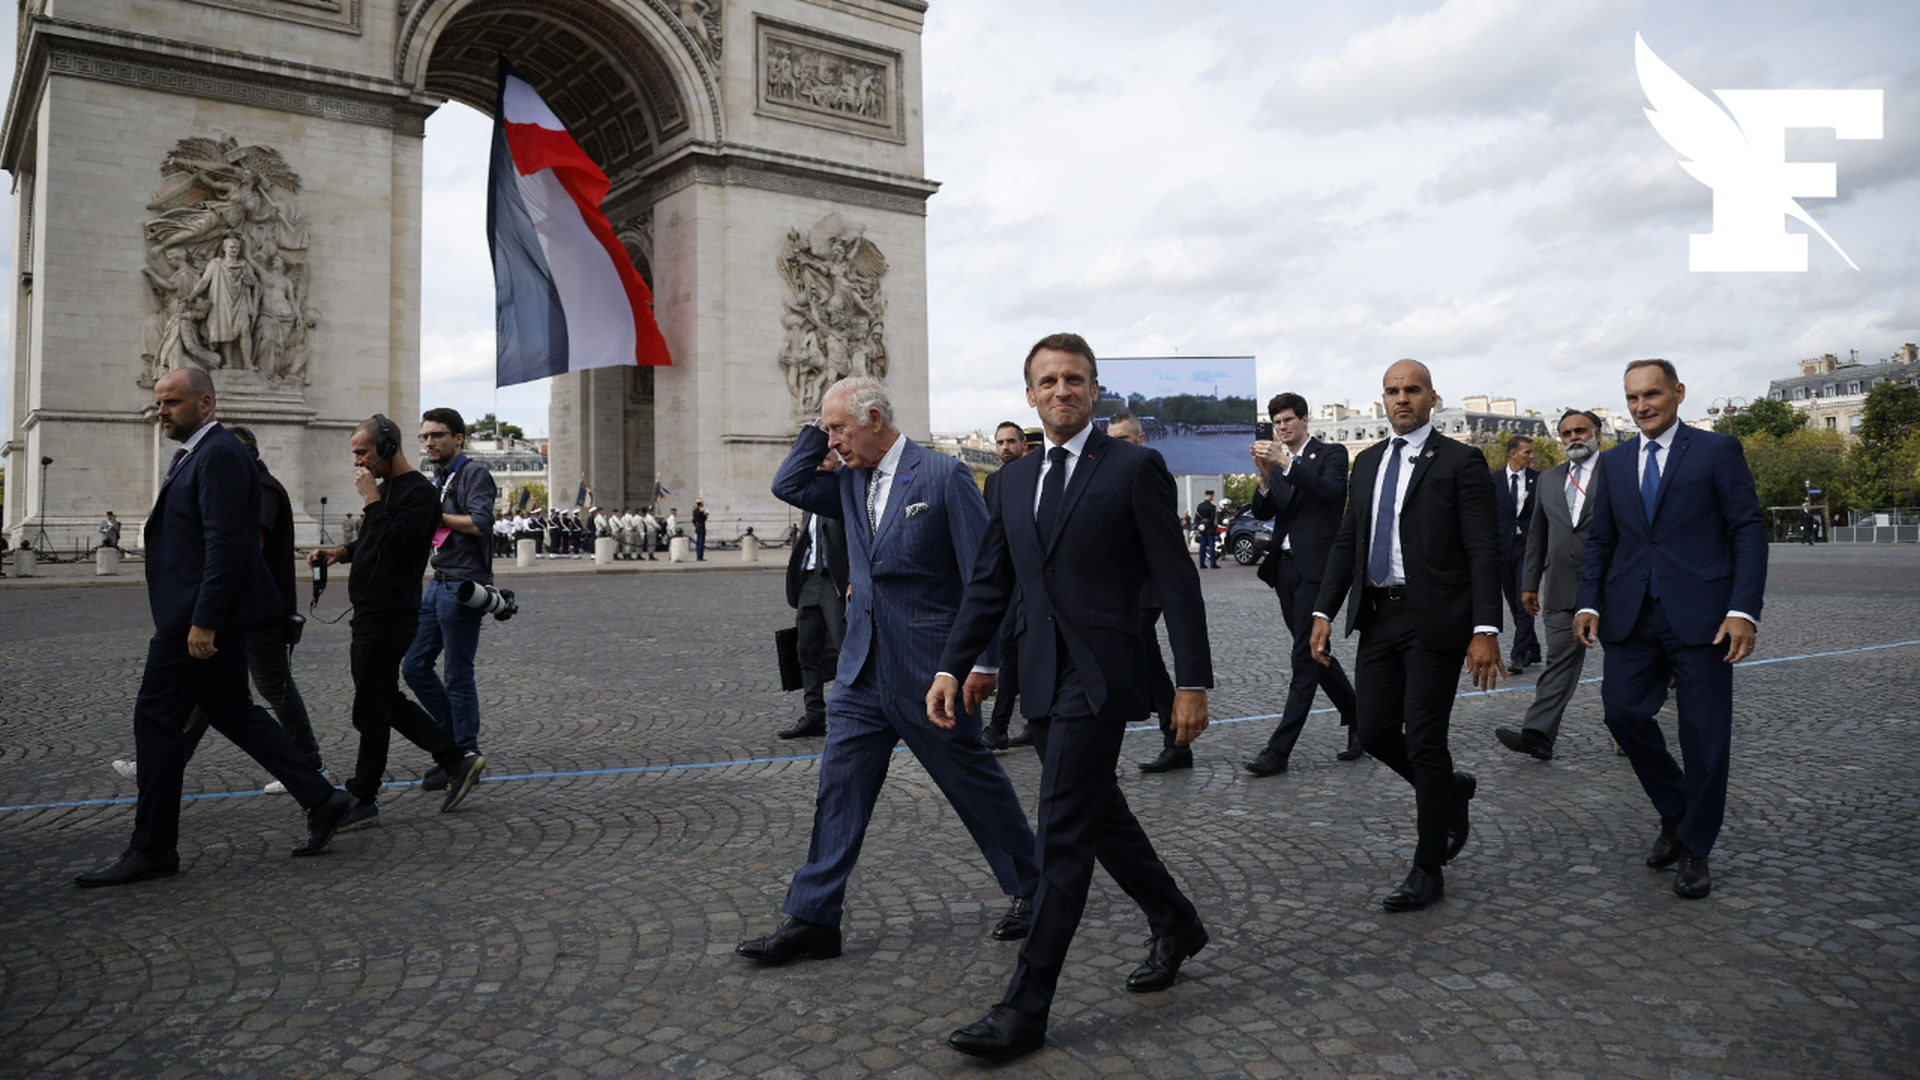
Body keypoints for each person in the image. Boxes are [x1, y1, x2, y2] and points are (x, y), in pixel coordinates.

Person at [931, 334, 1213, 1060]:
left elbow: (1176, 580)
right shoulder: (1011, 481)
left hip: (1105, 675)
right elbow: (991, 583)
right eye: (1048, 381)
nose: (1062, 391)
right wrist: (952, 665)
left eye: (1075, 380)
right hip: (1040, 675)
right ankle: (1175, 919)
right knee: (1097, 814)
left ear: (1094, 389)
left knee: (1060, 831)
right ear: (1029, 395)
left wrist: (1192, 680)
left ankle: (1025, 1007)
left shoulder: (1134, 466)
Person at [739, 376, 1039, 964]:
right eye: (828, 430)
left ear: (875, 418)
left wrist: (982, 662)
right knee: (839, 791)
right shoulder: (849, 480)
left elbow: (985, 576)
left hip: (932, 673)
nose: (834, 441)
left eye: (840, 428)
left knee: (972, 783)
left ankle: (1034, 887)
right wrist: (815, 427)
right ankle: (814, 917)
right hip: (860, 669)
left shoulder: (942, 475)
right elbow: (788, 483)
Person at [74, 369, 349, 886]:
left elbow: (227, 543)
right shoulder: (199, 454)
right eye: (158, 404)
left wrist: (203, 620)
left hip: (195, 619)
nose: (161, 412)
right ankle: (322, 797)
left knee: (156, 722)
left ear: (205, 403)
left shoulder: (219, 453)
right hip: (200, 612)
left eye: (171, 403)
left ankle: (153, 847)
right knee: (231, 710)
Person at [1310, 359, 1504, 913]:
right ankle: (1448, 790)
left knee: (1423, 739)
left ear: (1431, 398)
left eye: (1412, 390)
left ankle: (1427, 868)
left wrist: (1485, 627)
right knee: (1371, 731)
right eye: (1393, 391)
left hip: (1436, 620)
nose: (1402, 399)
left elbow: (1483, 549)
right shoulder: (1366, 462)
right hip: (1378, 616)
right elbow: (1348, 540)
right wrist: (1324, 611)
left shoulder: (1461, 462)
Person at [1574, 359, 1768, 900]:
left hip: (1705, 618)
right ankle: (1676, 809)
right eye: (1632, 398)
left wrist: (1742, 610)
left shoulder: (1716, 451)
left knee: (1703, 736)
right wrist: (1587, 601)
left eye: (1652, 395)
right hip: (1630, 615)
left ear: (1678, 393)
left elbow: (1748, 530)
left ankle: (1695, 848)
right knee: (1623, 713)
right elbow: (1601, 541)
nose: (1641, 407)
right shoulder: (1613, 464)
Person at [307, 415, 486, 835]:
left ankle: (369, 794)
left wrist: (371, 500)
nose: (358, 462)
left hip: (391, 612)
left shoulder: (420, 494)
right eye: (355, 453)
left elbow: (401, 544)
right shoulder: (388, 490)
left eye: (362, 452)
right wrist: (342, 552)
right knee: (379, 700)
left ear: (387, 448)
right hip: (371, 608)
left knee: (374, 704)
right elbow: (373, 540)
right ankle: (450, 761)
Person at [1244, 392, 1361, 776]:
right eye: (1277, 422)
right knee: (1314, 649)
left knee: (1303, 657)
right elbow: (1263, 510)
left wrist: (1285, 462)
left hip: (1319, 570)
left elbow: (1330, 493)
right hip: (1285, 569)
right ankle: (1361, 721)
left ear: (1305, 420)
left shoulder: (1332, 454)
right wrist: (1264, 476)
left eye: (1288, 420)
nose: (1282, 427)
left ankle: (1278, 750)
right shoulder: (1277, 465)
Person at [1496, 411, 1603, 762]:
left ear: (1597, 434)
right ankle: (1537, 734)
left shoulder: (1618, 472)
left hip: (1609, 589)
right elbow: (1537, 535)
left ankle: (1633, 721)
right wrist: (1529, 583)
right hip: (1559, 588)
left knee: (1628, 664)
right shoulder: (1549, 479)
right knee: (1559, 661)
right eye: (1566, 432)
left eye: (1580, 431)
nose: (1574, 437)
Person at [404, 409, 499, 790]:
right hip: (437, 580)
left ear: (459, 438)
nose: (430, 442)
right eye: (425, 436)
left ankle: (465, 751)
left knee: (458, 674)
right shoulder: (440, 476)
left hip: (462, 584)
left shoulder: (473, 473)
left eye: (438, 435)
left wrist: (437, 516)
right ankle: (452, 749)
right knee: (414, 666)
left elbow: (480, 522)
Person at [1106, 413, 1184, 774]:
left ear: (1140, 439)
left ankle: (1175, 738)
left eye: (1123, 438)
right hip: (1120, 588)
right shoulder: (1108, 475)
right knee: (1143, 665)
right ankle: (1174, 739)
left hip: (1145, 589)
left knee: (1144, 664)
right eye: (1111, 439)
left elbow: (1162, 542)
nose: (1116, 445)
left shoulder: (1150, 471)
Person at [982, 420, 1033, 751]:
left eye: (1011, 442)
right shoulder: (993, 481)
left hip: (1031, 576)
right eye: (1000, 442)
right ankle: (1028, 720)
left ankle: (1000, 725)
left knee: (1013, 648)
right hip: (1005, 577)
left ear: (1023, 445)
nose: (1005, 447)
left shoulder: (1036, 474)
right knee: (1011, 647)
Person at [779, 500, 849, 740]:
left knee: (846, 649)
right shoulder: (809, 503)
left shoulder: (844, 495)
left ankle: (857, 714)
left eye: (825, 459)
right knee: (806, 651)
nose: (819, 464)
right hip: (809, 581)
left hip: (835, 583)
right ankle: (814, 716)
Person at [1493, 435, 1542, 674]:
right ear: (1513, 454)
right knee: (1513, 600)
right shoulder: (1493, 481)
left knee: (1524, 599)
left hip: (1528, 548)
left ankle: (1519, 654)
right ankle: (1532, 647)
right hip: (1502, 549)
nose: (1532, 456)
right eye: (1527, 452)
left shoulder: (1538, 481)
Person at [1194, 489, 1220, 568]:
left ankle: (1202, 563)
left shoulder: (1200, 505)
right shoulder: (1212, 506)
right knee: (1211, 546)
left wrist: (1201, 525)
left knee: (1202, 546)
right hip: (1210, 528)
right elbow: (1212, 519)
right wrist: (1207, 525)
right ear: (1211, 496)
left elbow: (1197, 518)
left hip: (1202, 528)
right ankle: (1213, 563)